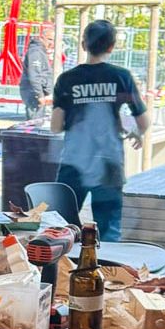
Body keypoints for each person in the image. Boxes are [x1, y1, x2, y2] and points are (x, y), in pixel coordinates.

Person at [51, 19, 149, 242]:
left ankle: (67, 273)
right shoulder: (121, 77)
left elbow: (56, 126)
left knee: (63, 227)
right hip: (109, 160)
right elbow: (142, 121)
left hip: (74, 160)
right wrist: (133, 131)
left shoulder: (67, 79)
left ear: (84, 44)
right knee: (109, 229)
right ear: (112, 46)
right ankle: (106, 274)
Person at [19, 28, 54, 120]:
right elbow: (34, 75)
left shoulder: (41, 51)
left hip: (39, 92)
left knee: (39, 121)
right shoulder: (36, 52)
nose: (52, 43)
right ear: (42, 38)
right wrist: (39, 95)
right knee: (35, 123)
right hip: (34, 93)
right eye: (49, 39)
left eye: (54, 40)